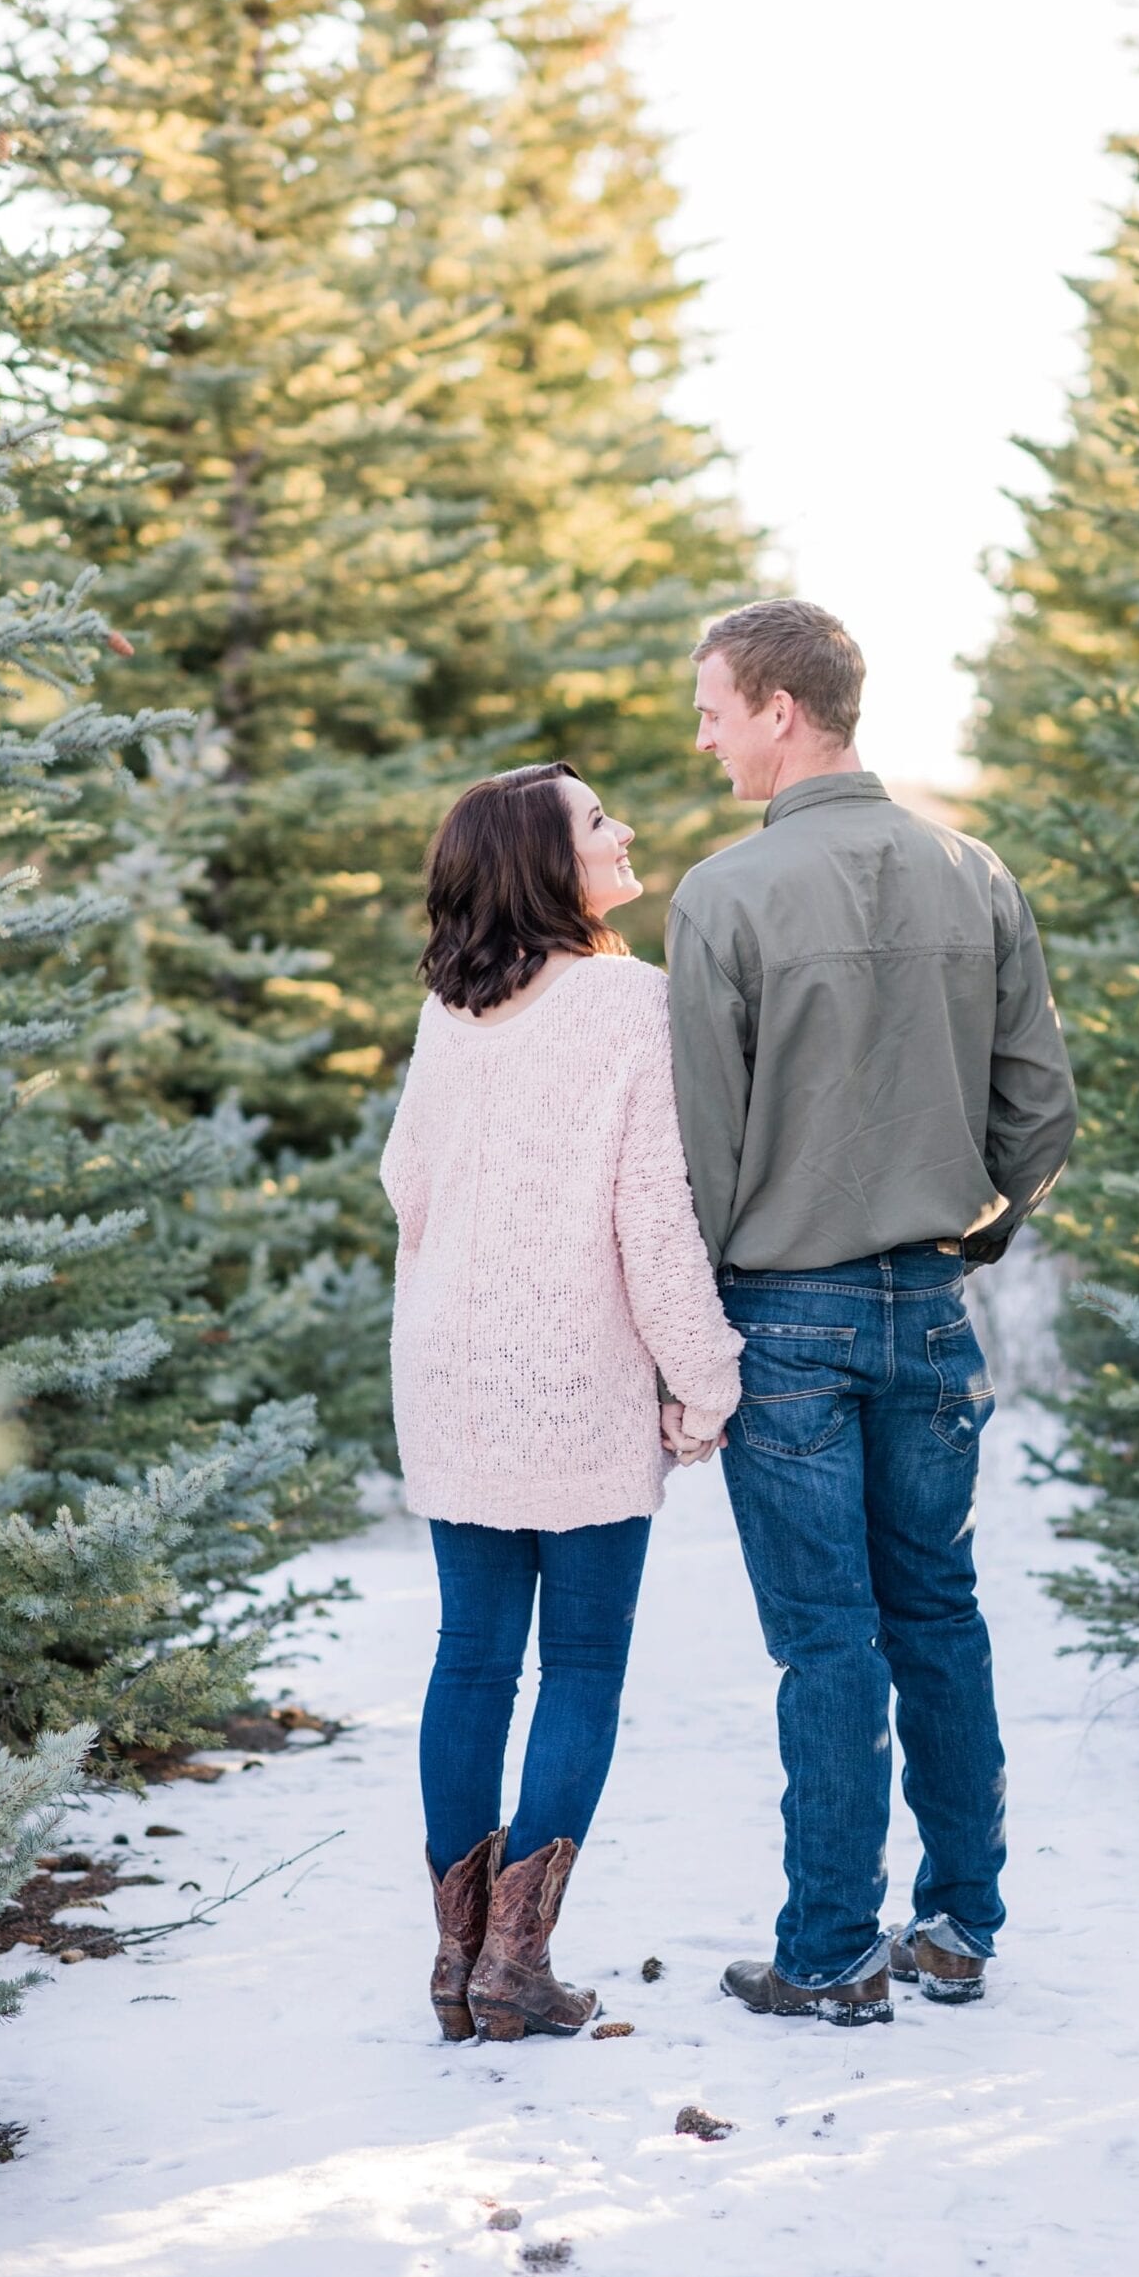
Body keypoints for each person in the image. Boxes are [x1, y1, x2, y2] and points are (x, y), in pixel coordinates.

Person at [666, 599, 1078, 2026]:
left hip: (784, 1318)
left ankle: (832, 1948)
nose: (702, 731)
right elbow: (1042, 1109)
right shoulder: (974, 871)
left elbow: (701, 1152)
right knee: (939, 1616)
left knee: (827, 1641)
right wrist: (975, 1235)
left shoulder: (722, 898)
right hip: (929, 1306)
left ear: (783, 709)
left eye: (713, 705)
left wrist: (704, 1318)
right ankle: (958, 1926)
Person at [381, 762, 741, 2045]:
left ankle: (454, 1956)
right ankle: (516, 1966)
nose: (623, 828)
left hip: (444, 1370)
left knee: (469, 1654)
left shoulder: (446, 1008)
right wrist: (706, 1379)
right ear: (545, 861)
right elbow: (655, 1216)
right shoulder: (627, 1001)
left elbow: (403, 1182)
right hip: (571, 1375)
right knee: (580, 1661)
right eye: (597, 822)